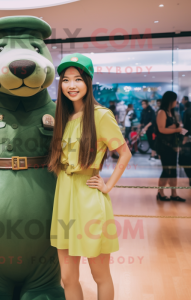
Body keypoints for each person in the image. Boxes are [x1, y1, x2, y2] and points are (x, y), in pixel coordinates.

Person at [48, 53, 132, 300]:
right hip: (64, 197)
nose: (71, 86)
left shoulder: (100, 115)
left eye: (77, 79)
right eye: (65, 80)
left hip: (89, 199)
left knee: (99, 274)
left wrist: (108, 186)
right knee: (67, 277)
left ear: (88, 82)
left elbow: (124, 154)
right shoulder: (63, 117)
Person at [155, 91, 186, 202]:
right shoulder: (162, 112)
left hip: (172, 145)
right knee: (166, 170)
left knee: (173, 171)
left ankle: (174, 193)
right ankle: (160, 192)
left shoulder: (171, 112)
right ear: (170, 100)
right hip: (164, 146)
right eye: (174, 100)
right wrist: (177, 129)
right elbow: (161, 129)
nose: (176, 102)